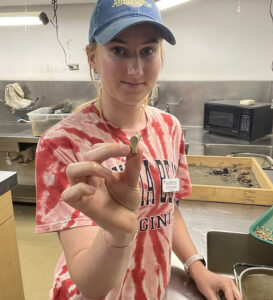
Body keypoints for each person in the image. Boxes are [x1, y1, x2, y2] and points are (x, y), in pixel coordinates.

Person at [35, 1, 242, 299]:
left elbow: (167, 208)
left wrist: (197, 266)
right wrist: (118, 234)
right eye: (118, 50)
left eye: (147, 50)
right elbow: (90, 286)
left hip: (152, 289)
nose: (135, 69)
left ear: (161, 54)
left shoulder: (170, 128)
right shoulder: (62, 143)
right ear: (92, 57)